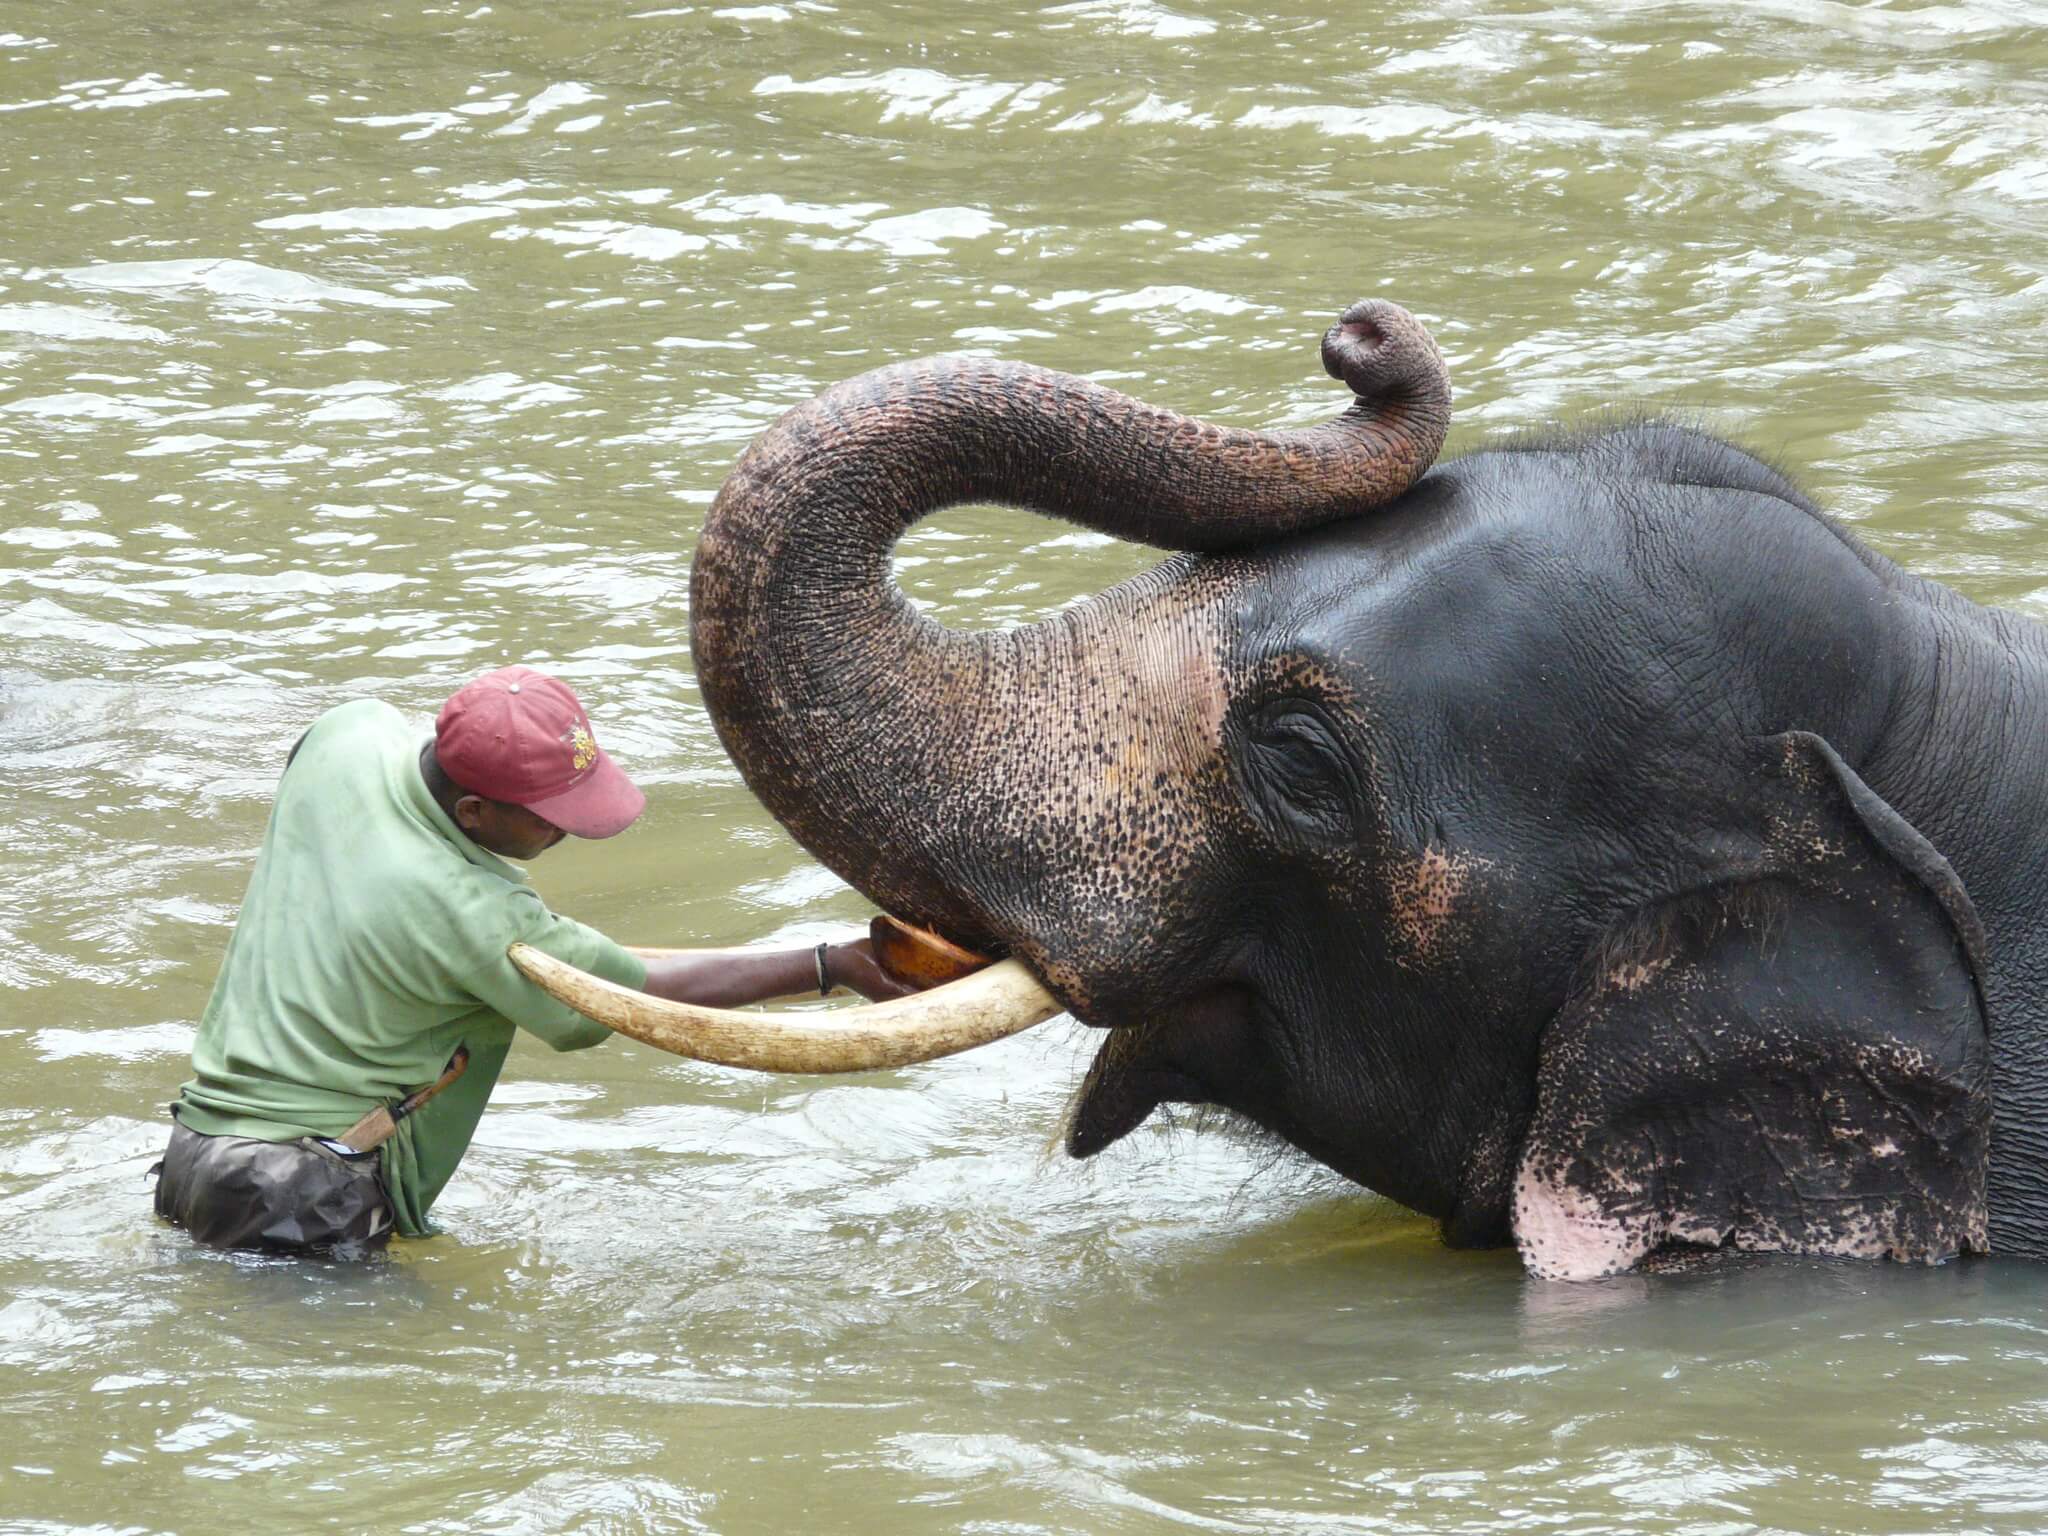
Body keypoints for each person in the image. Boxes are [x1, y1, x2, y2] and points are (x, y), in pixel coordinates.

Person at [153, 664, 911, 1256]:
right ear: (474, 813)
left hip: (195, 1152)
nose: (570, 834)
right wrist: (831, 965)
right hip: (299, 1192)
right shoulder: (473, 910)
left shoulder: (345, 739)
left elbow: (576, 960)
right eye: (552, 821)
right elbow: (625, 994)